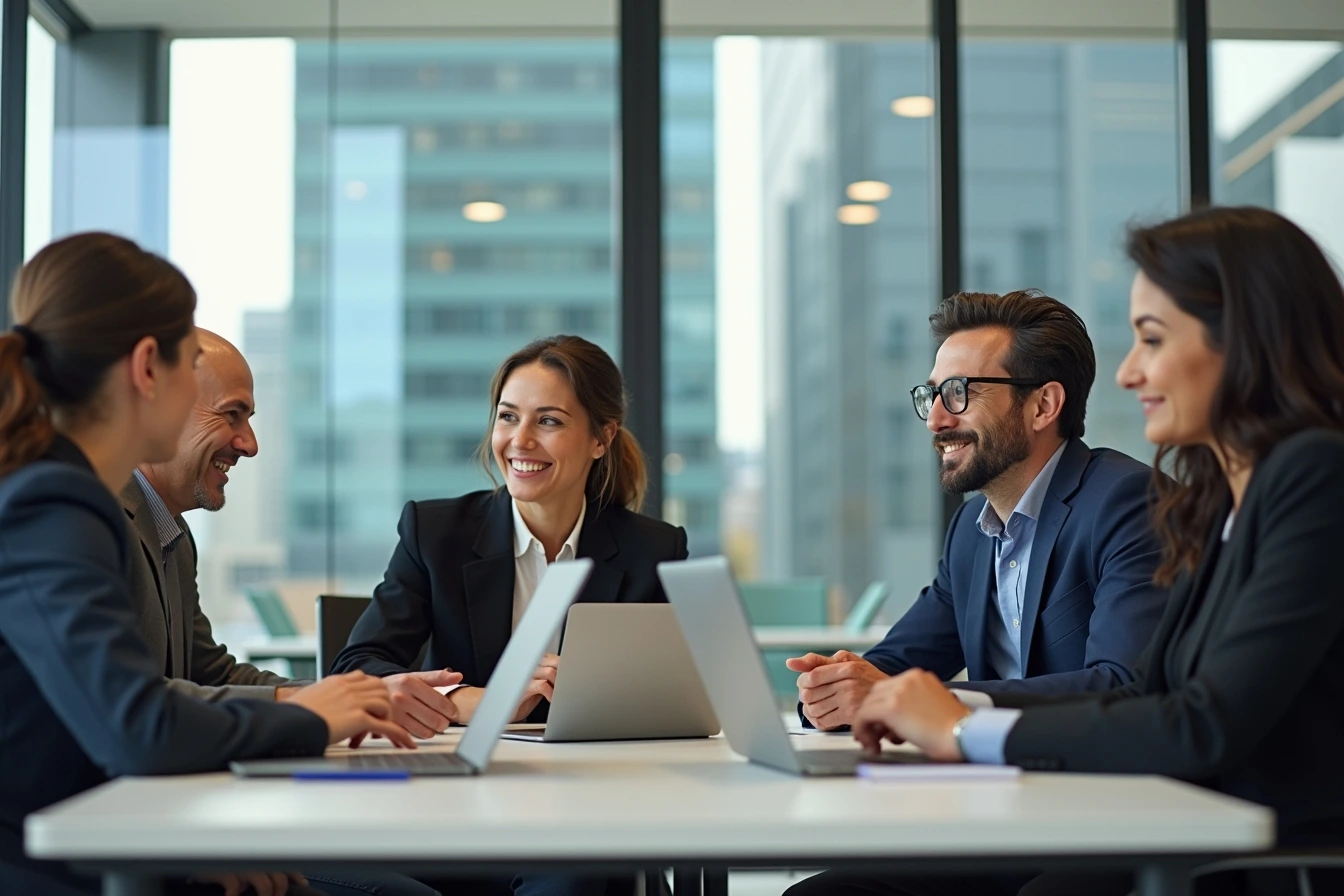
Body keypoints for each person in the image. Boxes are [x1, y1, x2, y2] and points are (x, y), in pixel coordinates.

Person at [823, 206, 1344, 896]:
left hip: (1257, 859)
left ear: (1247, 340)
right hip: (1167, 825)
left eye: (1151, 340)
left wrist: (964, 725)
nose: (1129, 374)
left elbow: (1199, 722)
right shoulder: (1214, 499)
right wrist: (850, 687)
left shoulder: (1314, 475)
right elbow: (1156, 694)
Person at [0, 232, 415, 896]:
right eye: (189, 362)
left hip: (103, 837)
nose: (248, 442)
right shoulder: (49, 505)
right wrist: (309, 716)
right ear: (146, 368)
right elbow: (138, 726)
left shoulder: (66, 497)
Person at [331, 334, 688, 896]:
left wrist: (595, 696)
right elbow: (357, 669)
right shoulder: (436, 533)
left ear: (602, 439)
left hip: (589, 812)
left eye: (548, 421)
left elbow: (673, 700)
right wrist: (476, 700)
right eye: (507, 417)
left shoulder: (653, 551)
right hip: (452, 813)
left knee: (580, 874)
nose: (519, 441)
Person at [123, 328, 449, 896]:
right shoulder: (97, 521)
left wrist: (353, 697)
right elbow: (134, 704)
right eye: (232, 415)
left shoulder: (169, 532)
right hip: (129, 833)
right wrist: (315, 705)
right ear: (162, 401)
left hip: (175, 814)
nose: (248, 444)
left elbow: (211, 674)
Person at [789, 290, 1166, 732]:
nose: (936, 419)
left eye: (959, 392)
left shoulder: (1128, 502)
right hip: (1001, 783)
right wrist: (833, 689)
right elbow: (894, 664)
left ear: (1043, 405)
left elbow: (1122, 684)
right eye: (932, 395)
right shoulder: (970, 530)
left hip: (1104, 789)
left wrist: (933, 700)